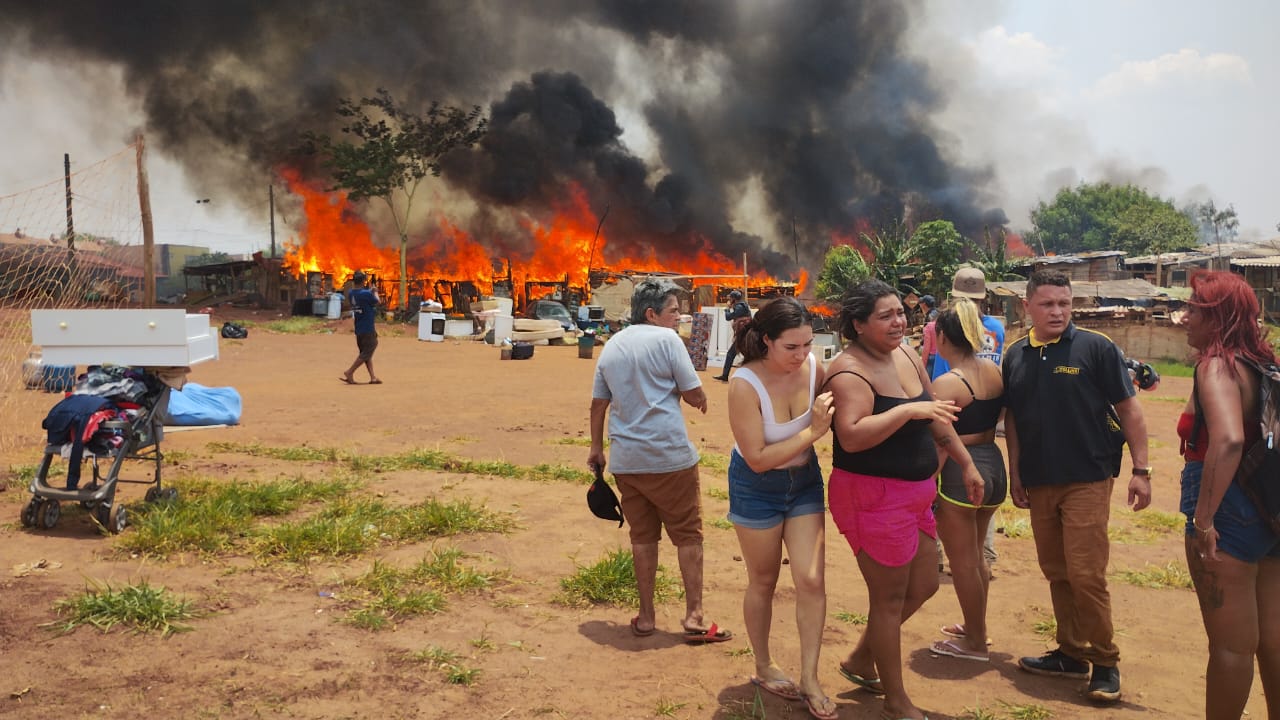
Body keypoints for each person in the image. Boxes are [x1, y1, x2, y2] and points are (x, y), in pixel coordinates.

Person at [825, 279, 983, 720]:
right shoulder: (848, 371)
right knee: (889, 600)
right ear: (858, 325)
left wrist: (965, 462)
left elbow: (934, 413)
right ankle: (895, 701)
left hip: (916, 494)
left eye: (901, 312)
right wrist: (904, 411)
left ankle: (860, 658)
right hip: (871, 495)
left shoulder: (908, 354)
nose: (899, 322)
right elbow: (852, 438)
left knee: (926, 584)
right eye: (886, 316)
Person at [1004, 269, 1151, 703]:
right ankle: (1070, 653)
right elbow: (1012, 418)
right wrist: (1015, 473)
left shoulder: (1096, 348)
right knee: (1057, 572)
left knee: (1087, 574)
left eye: (1065, 304)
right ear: (1026, 306)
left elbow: (1130, 409)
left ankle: (1105, 663)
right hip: (1039, 480)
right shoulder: (1015, 355)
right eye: (1048, 304)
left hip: (1087, 478)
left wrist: (1141, 471)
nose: (1058, 312)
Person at [588, 279, 732, 643]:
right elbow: (690, 390)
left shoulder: (612, 345)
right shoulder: (667, 340)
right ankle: (695, 616)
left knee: (642, 537)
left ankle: (647, 616)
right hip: (669, 458)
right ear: (651, 314)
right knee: (687, 534)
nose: (679, 317)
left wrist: (596, 449)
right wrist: (700, 398)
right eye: (673, 310)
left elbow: (598, 404)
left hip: (627, 462)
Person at [724, 297, 837, 719]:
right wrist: (813, 431)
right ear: (766, 340)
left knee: (810, 579)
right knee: (764, 579)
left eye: (808, 344)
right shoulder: (744, 383)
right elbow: (757, 457)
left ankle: (809, 676)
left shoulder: (814, 369)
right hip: (756, 486)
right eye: (791, 347)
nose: (802, 355)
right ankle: (764, 663)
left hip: (804, 483)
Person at [1177, 270, 1280, 719]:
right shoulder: (1265, 365)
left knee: (1232, 646)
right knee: (1273, 640)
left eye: (1194, 311)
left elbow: (1229, 441)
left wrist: (1204, 519)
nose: (1184, 319)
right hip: (1270, 505)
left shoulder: (1217, 365)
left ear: (1215, 317)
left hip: (1229, 507)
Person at [927, 298, 1006, 662]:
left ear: (941, 337)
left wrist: (929, 482)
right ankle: (975, 626)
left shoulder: (947, 383)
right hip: (993, 463)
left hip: (962, 472)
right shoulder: (994, 373)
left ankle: (975, 640)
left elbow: (941, 437)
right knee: (977, 554)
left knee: (962, 562)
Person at [340, 271, 382, 385]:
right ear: (364, 281)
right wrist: (376, 292)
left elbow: (362, 293)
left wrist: (370, 291)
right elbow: (378, 301)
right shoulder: (366, 294)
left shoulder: (351, 293)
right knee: (369, 350)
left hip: (359, 328)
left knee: (365, 354)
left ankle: (373, 377)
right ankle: (349, 371)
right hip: (368, 328)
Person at [715, 289, 752, 382]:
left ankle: (725, 375)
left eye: (731, 298)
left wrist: (727, 309)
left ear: (734, 299)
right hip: (745, 335)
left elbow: (728, 317)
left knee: (731, 354)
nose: (730, 299)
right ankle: (725, 375)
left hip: (743, 335)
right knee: (742, 355)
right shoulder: (742, 305)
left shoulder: (739, 307)